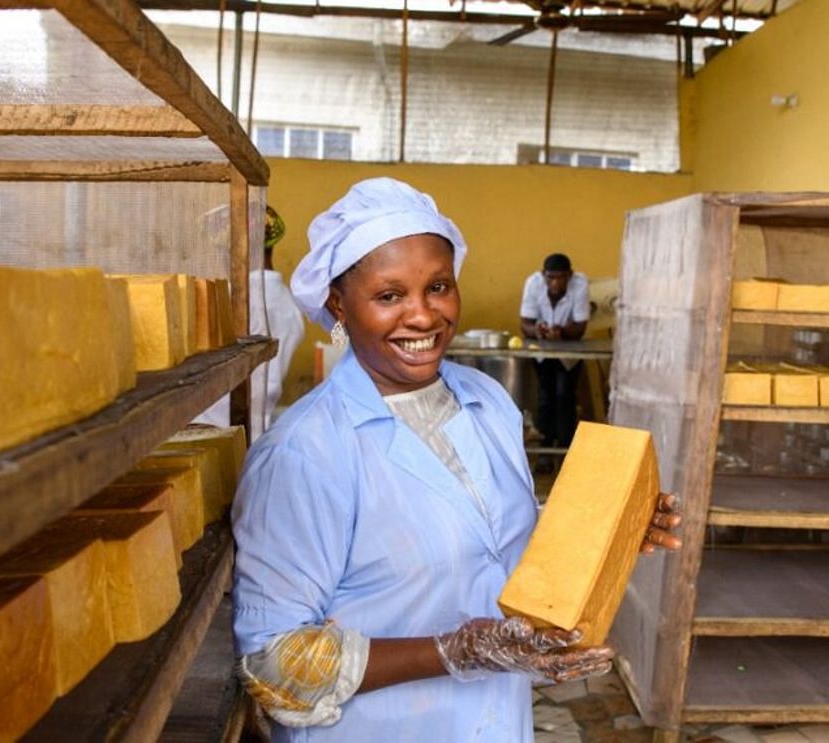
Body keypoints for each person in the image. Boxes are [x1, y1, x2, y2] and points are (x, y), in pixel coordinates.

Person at [230, 178, 680, 742]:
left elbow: (498, 550)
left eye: (438, 286)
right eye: (389, 296)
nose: (422, 316)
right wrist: (458, 650)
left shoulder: (487, 403)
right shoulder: (305, 453)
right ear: (338, 305)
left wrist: (608, 531)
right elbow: (275, 663)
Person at [194, 205, 304, 436]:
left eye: (223, 251)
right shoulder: (290, 305)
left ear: (236, 251)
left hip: (215, 432)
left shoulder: (236, 302)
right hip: (258, 430)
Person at [520, 253, 591, 453]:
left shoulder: (580, 284)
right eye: (551, 277)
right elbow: (525, 323)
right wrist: (537, 331)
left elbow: (580, 328)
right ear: (544, 275)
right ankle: (545, 446)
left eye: (560, 277)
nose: (555, 282)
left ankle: (565, 448)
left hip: (570, 352)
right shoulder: (533, 284)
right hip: (542, 352)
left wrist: (562, 332)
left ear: (570, 275)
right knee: (545, 396)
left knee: (565, 395)